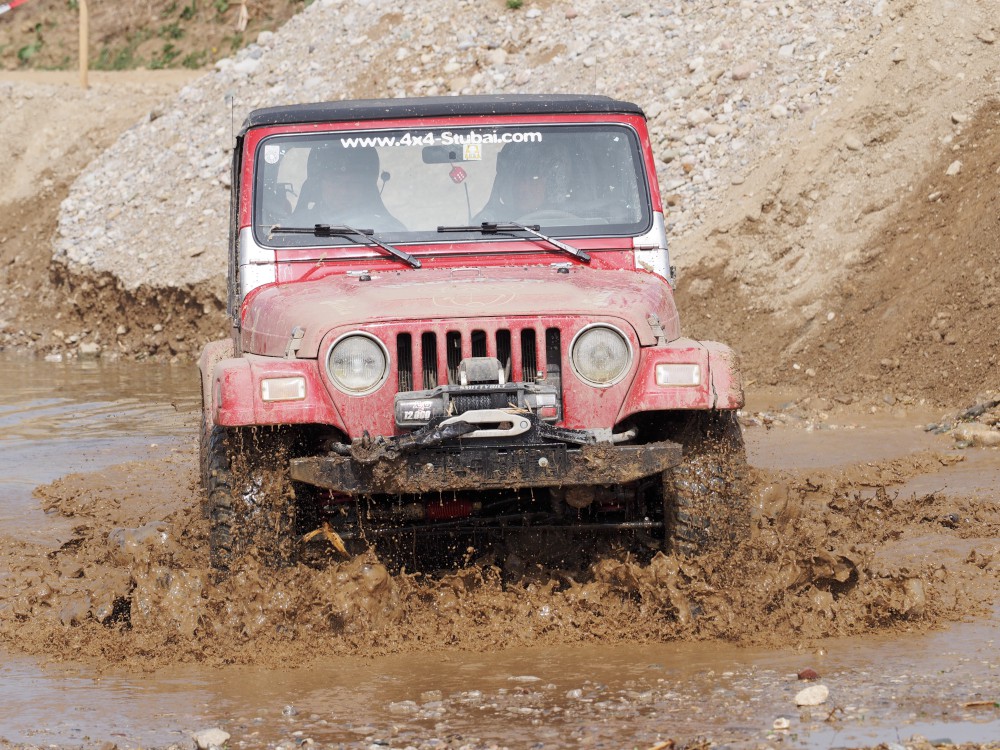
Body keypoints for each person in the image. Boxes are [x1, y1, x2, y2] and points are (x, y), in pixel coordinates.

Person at [293, 144, 406, 232]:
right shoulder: (294, 229)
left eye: (353, 182)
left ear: (365, 187)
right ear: (319, 185)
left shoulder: (390, 232)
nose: (343, 190)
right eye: (335, 181)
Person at [472, 141, 579, 224]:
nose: (521, 188)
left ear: (552, 183)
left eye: (534, 179)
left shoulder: (581, 222)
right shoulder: (488, 224)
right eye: (517, 179)